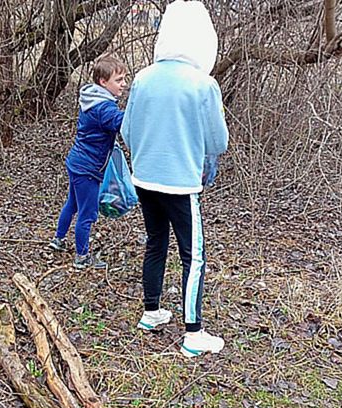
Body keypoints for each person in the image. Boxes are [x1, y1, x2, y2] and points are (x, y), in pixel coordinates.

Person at [121, 1, 229, 357]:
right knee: (193, 256)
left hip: (145, 179)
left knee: (155, 243)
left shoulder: (142, 78)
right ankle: (194, 333)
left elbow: (127, 130)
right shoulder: (203, 84)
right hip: (181, 184)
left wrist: (148, 155)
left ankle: (151, 311)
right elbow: (219, 142)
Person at [49, 53, 127, 269]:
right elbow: (123, 122)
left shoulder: (93, 99)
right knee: (88, 213)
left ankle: (58, 239)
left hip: (77, 162)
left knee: (73, 204)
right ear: (103, 82)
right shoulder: (104, 108)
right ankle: (82, 257)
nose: (123, 84)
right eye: (118, 80)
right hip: (87, 168)